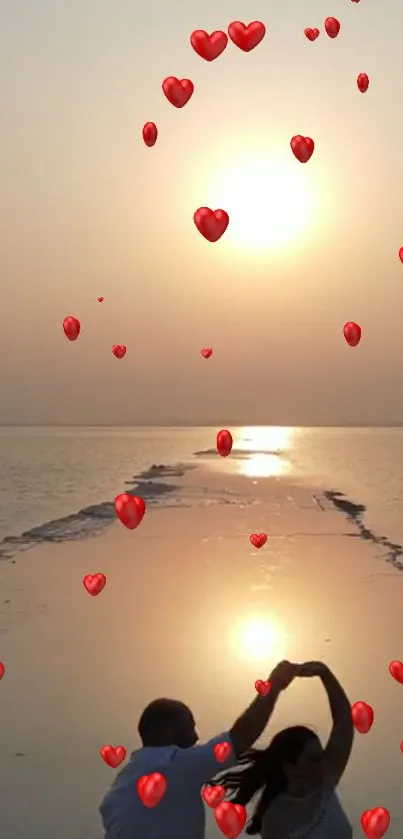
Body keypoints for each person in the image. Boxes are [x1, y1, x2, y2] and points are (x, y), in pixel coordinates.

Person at [99, 660, 300, 839]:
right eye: (188, 726)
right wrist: (274, 685)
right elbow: (241, 737)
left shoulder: (117, 791)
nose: (195, 737)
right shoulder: (172, 764)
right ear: (164, 728)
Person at [212, 661, 354, 838]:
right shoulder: (276, 819)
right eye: (313, 759)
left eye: (320, 755)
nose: (323, 761)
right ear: (288, 767)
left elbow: (344, 721)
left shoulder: (326, 780)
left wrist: (325, 674)